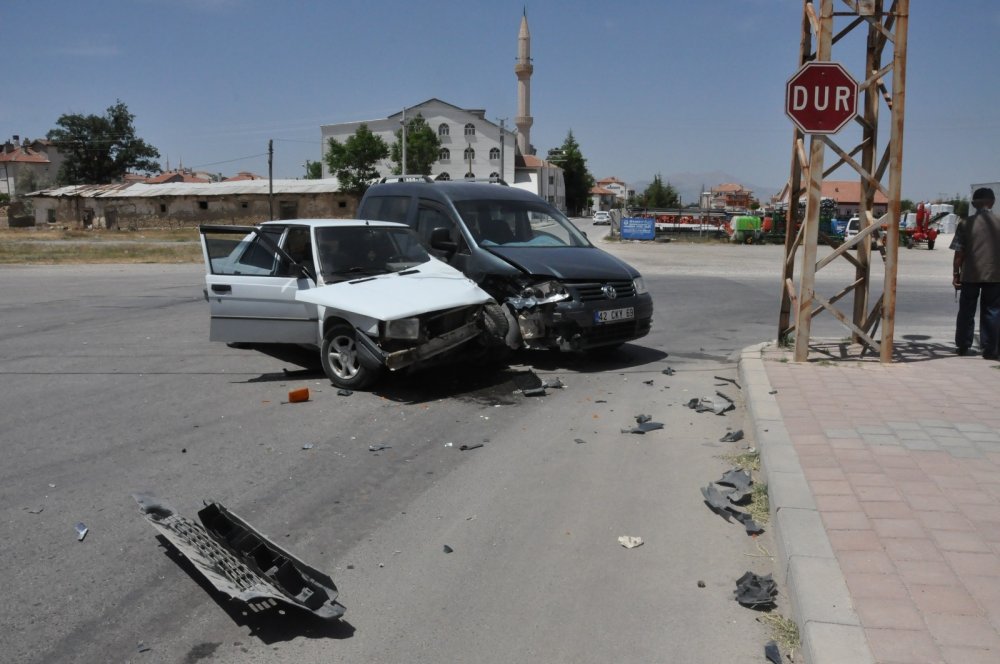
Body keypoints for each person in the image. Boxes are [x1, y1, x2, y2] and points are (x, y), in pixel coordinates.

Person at [951, 187, 1000, 359]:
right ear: (992, 202)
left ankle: (963, 346)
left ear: (974, 204)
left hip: (970, 275)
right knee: (993, 311)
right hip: (995, 276)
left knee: (966, 310)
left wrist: (956, 274)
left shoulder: (965, 224)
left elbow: (959, 253)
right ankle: (991, 349)